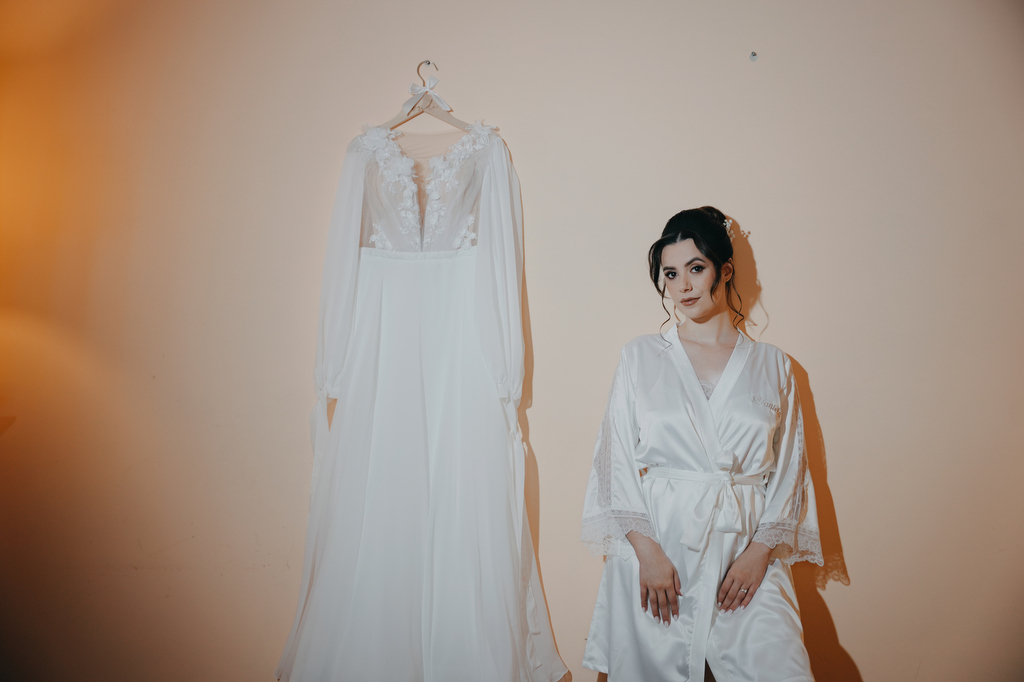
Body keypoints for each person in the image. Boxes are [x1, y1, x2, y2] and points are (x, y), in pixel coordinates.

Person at [580, 207, 823, 681]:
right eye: (671, 274)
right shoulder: (640, 356)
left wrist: (759, 554)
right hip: (660, 546)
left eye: (696, 268)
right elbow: (614, 460)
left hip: (745, 547)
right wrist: (647, 553)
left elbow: (790, 469)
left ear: (724, 271)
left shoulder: (774, 365)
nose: (683, 286)